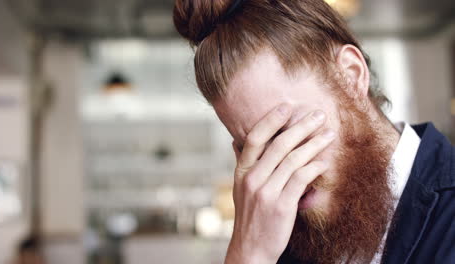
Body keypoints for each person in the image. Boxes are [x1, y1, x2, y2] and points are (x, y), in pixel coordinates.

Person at [173, 0, 455, 263]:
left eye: (288, 132)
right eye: (254, 149)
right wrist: (247, 255)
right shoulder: (276, 241)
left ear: (351, 75)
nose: (282, 168)